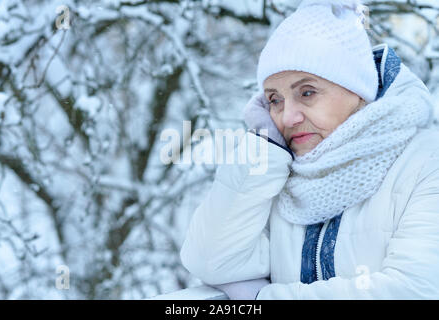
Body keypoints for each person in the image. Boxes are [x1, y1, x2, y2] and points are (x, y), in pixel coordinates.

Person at [180, 0, 439, 299]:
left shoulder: (426, 162)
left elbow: (415, 290)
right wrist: (262, 151)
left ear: (358, 90)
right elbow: (210, 261)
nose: (287, 118)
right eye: (274, 100)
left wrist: (260, 301)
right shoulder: (279, 173)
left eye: (307, 92)